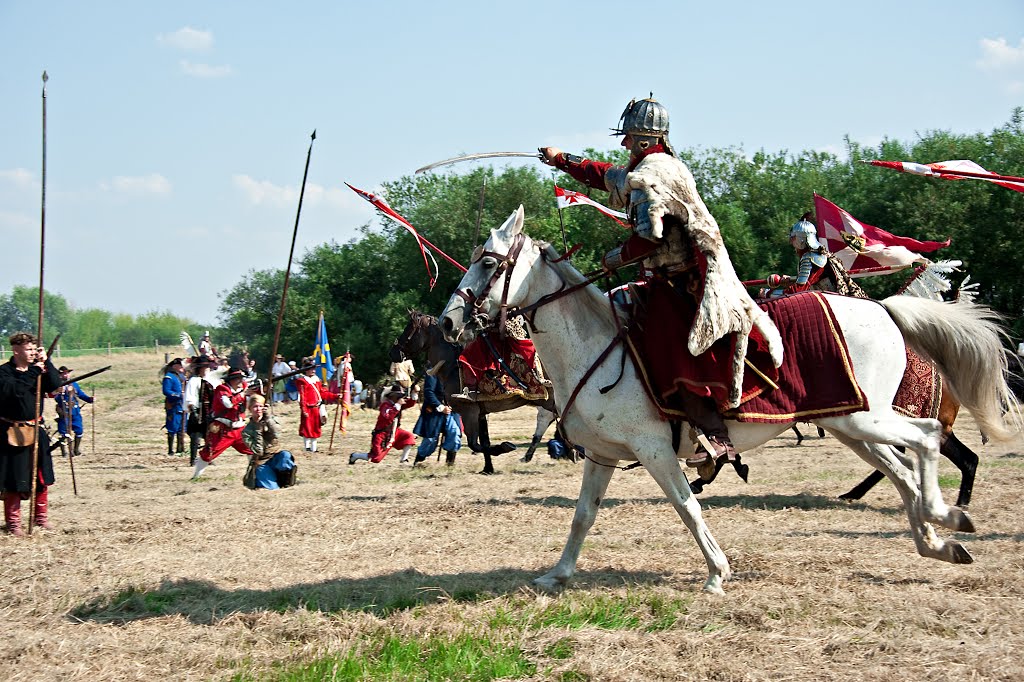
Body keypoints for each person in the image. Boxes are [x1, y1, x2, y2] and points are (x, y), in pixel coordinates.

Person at [539, 95, 782, 468]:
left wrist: (612, 259)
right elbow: (605, 174)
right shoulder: (653, 167)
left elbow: (648, 238)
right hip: (660, 278)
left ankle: (710, 430)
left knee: (665, 343)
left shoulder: (655, 174)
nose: (623, 144)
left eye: (629, 137)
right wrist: (561, 160)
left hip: (680, 283)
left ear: (645, 140)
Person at [0, 332, 61, 535]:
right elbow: (15, 390)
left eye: (35, 349)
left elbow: (54, 385)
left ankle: (40, 518)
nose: (32, 352)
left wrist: (47, 363)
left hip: (37, 429)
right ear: (16, 350)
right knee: (14, 479)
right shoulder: (4, 373)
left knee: (41, 476)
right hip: (12, 432)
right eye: (29, 349)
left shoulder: (38, 370)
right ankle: (14, 524)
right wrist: (34, 371)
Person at [191, 368, 254, 479]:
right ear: (231, 380)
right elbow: (228, 404)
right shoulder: (222, 389)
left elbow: (250, 401)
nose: (240, 381)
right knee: (209, 453)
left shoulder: (243, 388)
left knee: (251, 449)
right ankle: (196, 476)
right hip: (223, 429)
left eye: (240, 378)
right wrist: (243, 394)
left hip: (239, 428)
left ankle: (253, 473)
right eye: (237, 379)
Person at [350, 385, 418, 464]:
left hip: (395, 431)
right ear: (392, 395)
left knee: (409, 437)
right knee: (376, 458)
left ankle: (404, 459)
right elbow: (388, 417)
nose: (400, 397)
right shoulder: (385, 405)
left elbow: (410, 403)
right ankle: (355, 456)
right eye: (398, 395)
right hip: (382, 434)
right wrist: (398, 405)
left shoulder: (398, 404)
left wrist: (414, 393)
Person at [241, 395, 297, 490]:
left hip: (276, 457)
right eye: (255, 406)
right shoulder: (247, 431)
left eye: (260, 406)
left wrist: (267, 419)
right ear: (250, 409)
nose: (258, 409)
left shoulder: (270, 420)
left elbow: (277, 434)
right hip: (262, 463)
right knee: (272, 489)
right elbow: (259, 451)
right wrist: (258, 430)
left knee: (285, 456)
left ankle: (285, 480)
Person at [412, 362, 461, 465]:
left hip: (452, 410)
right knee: (430, 440)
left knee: (455, 434)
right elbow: (429, 392)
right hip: (434, 410)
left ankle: (450, 465)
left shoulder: (458, 371)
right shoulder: (433, 370)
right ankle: (418, 462)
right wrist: (441, 407)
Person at [50, 365, 94, 458]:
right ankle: (64, 452)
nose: (66, 375)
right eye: (63, 373)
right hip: (64, 412)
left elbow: (80, 394)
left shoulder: (74, 384)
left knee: (79, 431)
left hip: (75, 411)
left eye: (66, 373)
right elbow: (54, 396)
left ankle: (76, 449)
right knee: (63, 433)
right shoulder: (57, 385)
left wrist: (89, 399)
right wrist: (61, 391)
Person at [297, 361, 339, 452]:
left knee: (315, 428)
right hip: (308, 408)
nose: (313, 371)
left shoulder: (317, 380)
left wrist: (335, 396)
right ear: (306, 370)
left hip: (316, 407)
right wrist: (303, 409)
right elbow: (302, 396)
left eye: (313, 369)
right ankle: (307, 448)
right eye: (311, 369)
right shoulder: (302, 381)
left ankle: (314, 448)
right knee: (307, 428)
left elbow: (323, 393)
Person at [184, 355, 215, 466]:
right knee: (195, 437)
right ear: (200, 368)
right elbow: (190, 397)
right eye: (205, 367)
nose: (207, 369)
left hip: (207, 411)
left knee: (209, 437)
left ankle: (208, 458)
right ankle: (193, 459)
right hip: (197, 411)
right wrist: (194, 412)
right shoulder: (193, 381)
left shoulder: (208, 380)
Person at [161, 357, 187, 456]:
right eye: (180, 365)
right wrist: (179, 395)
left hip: (182, 405)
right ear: (175, 366)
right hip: (173, 405)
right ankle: (170, 450)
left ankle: (180, 448)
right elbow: (166, 391)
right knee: (172, 427)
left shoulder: (182, 377)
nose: (182, 367)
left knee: (182, 428)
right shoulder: (169, 377)